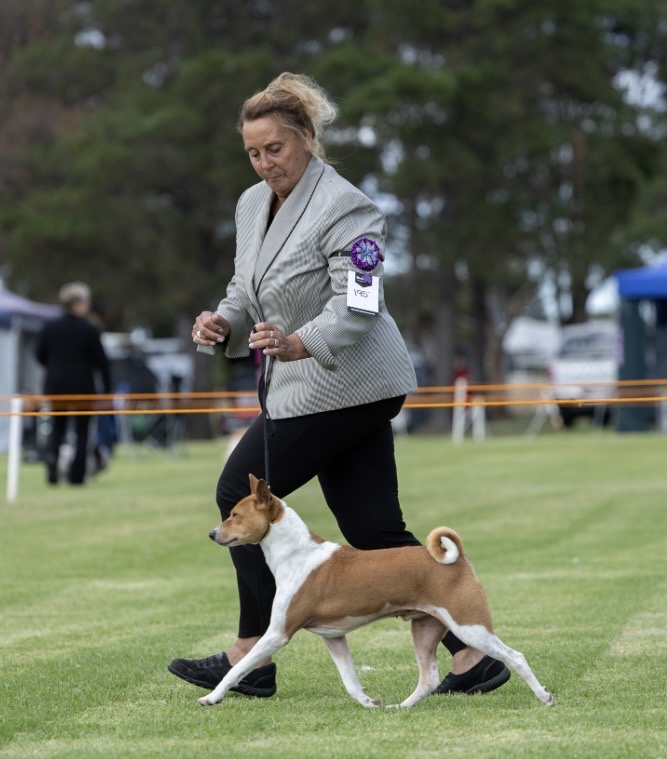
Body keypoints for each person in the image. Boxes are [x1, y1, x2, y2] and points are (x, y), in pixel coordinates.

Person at [168, 72, 510, 698]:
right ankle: (474, 657)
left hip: (349, 381)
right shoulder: (251, 204)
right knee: (373, 528)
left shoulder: (348, 207)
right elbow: (246, 288)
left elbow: (360, 303)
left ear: (305, 136)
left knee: (237, 491)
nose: (265, 163)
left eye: (275, 148)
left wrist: (301, 342)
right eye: (253, 152)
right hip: (311, 387)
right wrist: (223, 321)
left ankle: (251, 655)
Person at [35, 282, 112, 485]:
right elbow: (102, 362)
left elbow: (39, 355)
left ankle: (52, 467)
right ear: (77, 303)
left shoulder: (50, 327)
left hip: (55, 385)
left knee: (57, 427)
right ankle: (77, 475)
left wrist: (55, 368)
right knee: (82, 431)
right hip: (82, 386)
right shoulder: (88, 329)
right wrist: (107, 390)